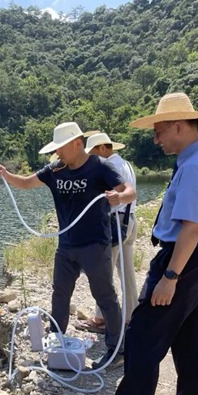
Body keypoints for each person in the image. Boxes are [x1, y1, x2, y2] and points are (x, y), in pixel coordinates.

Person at [90, 92, 198, 395]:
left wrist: (170, 276)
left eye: (159, 131)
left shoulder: (196, 166)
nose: (156, 139)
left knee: (142, 336)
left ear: (179, 126)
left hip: (185, 259)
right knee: (192, 340)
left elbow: (191, 228)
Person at [0, 122, 137, 369]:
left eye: (61, 147)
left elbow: (129, 191)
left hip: (95, 244)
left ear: (77, 144)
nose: (57, 152)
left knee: (105, 296)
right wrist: (6, 175)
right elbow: (27, 183)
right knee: (60, 293)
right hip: (66, 244)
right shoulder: (56, 169)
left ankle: (117, 350)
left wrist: (119, 197)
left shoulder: (100, 167)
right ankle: (56, 341)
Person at [77, 133, 138, 332]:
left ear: (103, 148)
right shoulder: (126, 164)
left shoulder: (110, 167)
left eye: (94, 152)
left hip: (115, 222)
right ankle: (131, 316)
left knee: (104, 271)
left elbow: (108, 199)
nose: (93, 158)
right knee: (127, 271)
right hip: (129, 221)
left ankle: (100, 319)